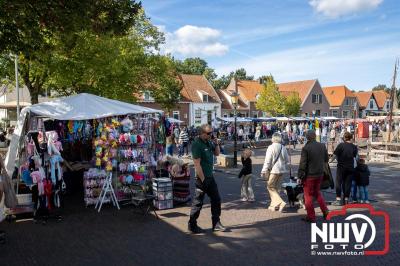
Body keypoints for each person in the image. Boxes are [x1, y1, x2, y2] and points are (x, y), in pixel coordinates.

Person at [188, 124, 226, 234]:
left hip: (210, 176)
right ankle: (192, 224)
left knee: (216, 199)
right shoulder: (197, 144)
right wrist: (203, 179)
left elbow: (217, 153)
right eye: (209, 133)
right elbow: (197, 164)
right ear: (202, 133)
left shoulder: (209, 142)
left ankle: (216, 223)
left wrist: (216, 142)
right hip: (201, 178)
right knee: (198, 202)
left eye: (212, 132)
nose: (211, 135)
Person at [297, 130, 329, 223]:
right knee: (317, 193)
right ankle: (325, 211)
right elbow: (326, 159)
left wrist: (300, 175)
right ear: (315, 136)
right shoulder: (322, 146)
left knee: (308, 196)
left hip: (309, 175)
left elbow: (303, 164)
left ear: (307, 137)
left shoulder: (306, 148)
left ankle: (311, 217)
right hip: (320, 174)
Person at [261, 132, 289, 212]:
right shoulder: (283, 147)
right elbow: (287, 160)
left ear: (273, 138)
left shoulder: (271, 147)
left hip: (273, 170)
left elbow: (268, 161)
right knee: (277, 188)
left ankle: (280, 202)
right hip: (281, 170)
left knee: (270, 187)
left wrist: (264, 170)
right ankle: (274, 206)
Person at [330, 132, 358, 206]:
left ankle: (338, 199)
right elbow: (355, 157)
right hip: (350, 167)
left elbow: (335, 155)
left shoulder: (341, 145)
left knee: (339, 182)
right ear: (350, 138)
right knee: (348, 183)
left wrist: (329, 161)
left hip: (341, 167)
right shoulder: (354, 147)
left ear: (344, 138)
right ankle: (346, 199)